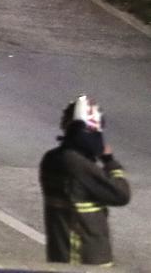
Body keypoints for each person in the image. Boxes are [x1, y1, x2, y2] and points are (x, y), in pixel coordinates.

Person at [40, 94, 130, 266]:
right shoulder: (76, 164)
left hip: (65, 256)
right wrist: (110, 162)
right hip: (83, 260)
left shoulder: (52, 158)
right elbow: (122, 194)